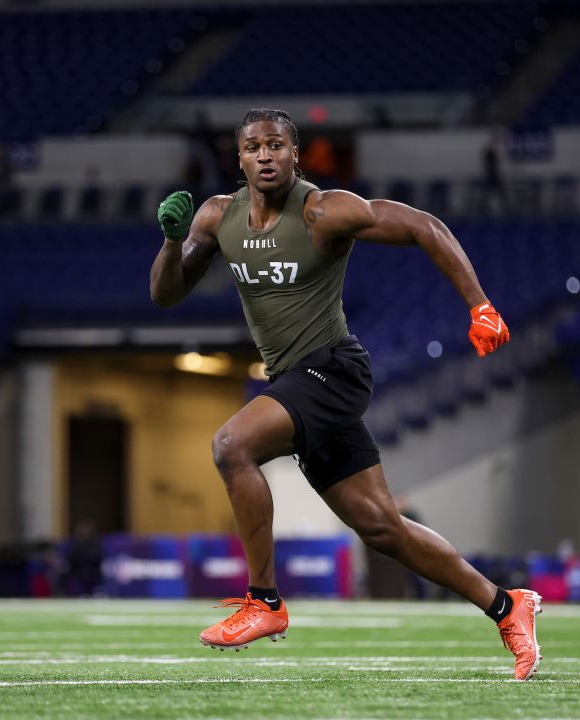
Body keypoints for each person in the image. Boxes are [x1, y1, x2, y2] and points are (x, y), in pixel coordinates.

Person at [149, 108, 541, 680]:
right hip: (293, 381)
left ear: (294, 153)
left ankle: (265, 602)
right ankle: (508, 606)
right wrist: (170, 241)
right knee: (383, 528)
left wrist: (480, 305)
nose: (265, 155)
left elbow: (423, 226)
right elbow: (166, 295)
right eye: (253, 147)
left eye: (276, 145)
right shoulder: (216, 217)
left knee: (232, 445)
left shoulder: (321, 212)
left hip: (333, 370)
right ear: (239, 159)